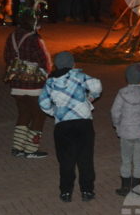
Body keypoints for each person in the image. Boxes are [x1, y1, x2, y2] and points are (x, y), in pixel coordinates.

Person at [39, 51, 102, 202]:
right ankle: (87, 191)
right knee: (85, 159)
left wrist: (54, 112)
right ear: (73, 64)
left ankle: (66, 192)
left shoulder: (50, 82)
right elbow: (97, 85)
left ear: (56, 65)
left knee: (66, 161)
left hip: (63, 126)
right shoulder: (80, 77)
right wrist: (90, 98)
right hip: (83, 123)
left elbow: (43, 103)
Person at [4, 0, 53, 159]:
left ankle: (17, 147)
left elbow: (7, 57)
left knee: (24, 113)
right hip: (34, 85)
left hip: (16, 82)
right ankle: (31, 148)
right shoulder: (34, 38)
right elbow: (45, 61)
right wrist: (47, 76)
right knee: (39, 115)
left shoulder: (11, 36)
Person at [111, 63, 140, 196]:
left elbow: (115, 112)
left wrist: (117, 125)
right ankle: (136, 188)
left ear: (127, 77)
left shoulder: (121, 93)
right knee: (138, 160)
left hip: (125, 132)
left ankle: (125, 188)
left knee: (126, 159)